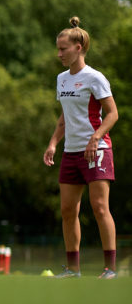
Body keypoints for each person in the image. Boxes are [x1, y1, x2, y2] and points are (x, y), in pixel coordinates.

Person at [43, 17, 118, 279]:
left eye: (63, 49)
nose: (59, 53)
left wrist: (96, 137)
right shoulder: (61, 79)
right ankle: (73, 269)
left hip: (96, 152)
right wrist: (53, 143)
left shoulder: (95, 78)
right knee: (67, 211)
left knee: (99, 207)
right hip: (71, 153)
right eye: (58, 48)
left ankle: (110, 269)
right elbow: (64, 117)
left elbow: (112, 114)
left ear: (79, 47)